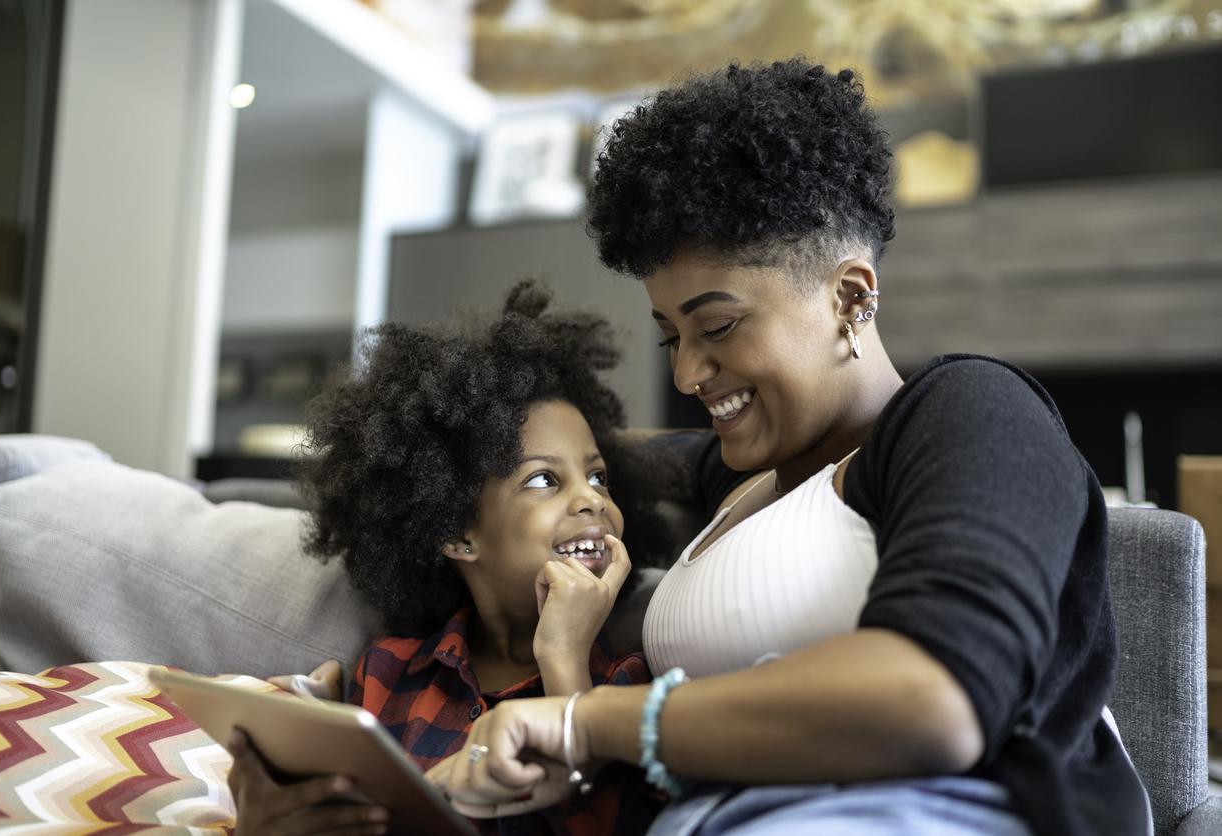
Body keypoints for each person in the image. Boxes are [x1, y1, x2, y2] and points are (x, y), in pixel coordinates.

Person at [427, 58, 1151, 836]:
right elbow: (522, 466)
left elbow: (933, 697)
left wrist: (585, 723)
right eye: (670, 335)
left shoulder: (968, 412)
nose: (686, 372)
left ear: (848, 297)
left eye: (717, 327)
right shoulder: (736, 476)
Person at [226, 280, 681, 836]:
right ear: (457, 534)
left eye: (598, 476)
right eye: (544, 479)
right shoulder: (386, 672)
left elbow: (610, 820)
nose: (591, 498)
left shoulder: (628, 685)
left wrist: (564, 656)